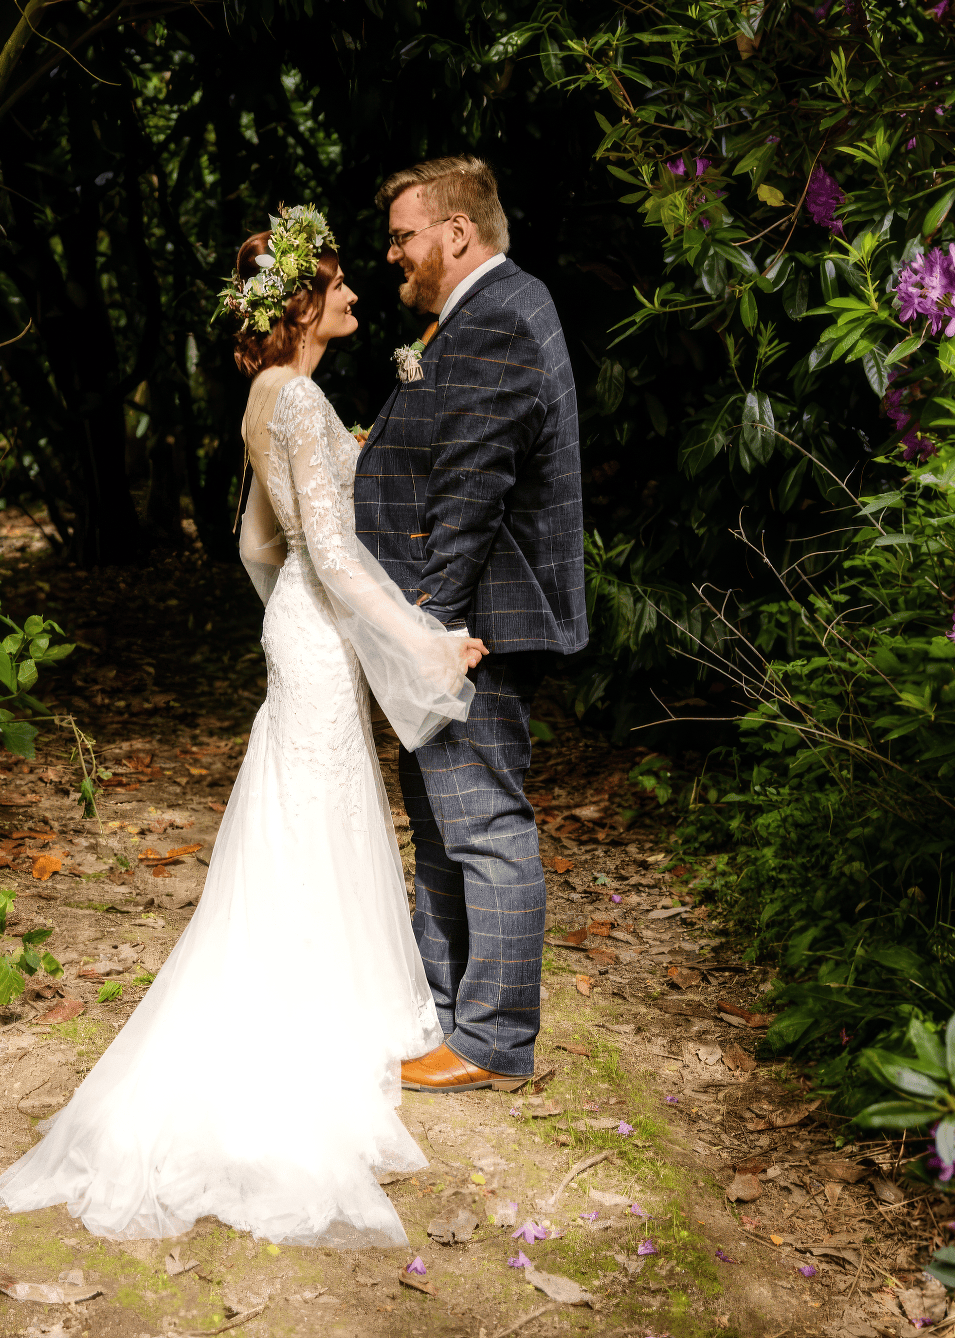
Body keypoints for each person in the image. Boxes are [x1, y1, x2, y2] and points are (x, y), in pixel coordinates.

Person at [0, 204, 486, 1248]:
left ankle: (317, 998)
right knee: (317, 808)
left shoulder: (267, 396)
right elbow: (332, 553)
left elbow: (260, 543)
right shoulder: (298, 398)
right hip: (319, 630)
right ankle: (316, 1021)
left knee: (303, 808)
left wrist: (288, 613)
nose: (355, 292)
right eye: (338, 283)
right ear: (302, 303)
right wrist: (424, 641)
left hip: (299, 629)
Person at [356, 156, 588, 1093]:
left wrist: (433, 629)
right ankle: (446, 1013)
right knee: (443, 823)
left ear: (456, 233)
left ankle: (492, 1039)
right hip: (457, 617)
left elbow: (472, 486)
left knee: (483, 824)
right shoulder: (485, 313)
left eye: (403, 236)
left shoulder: (496, 317)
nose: (392, 254)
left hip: (471, 623)